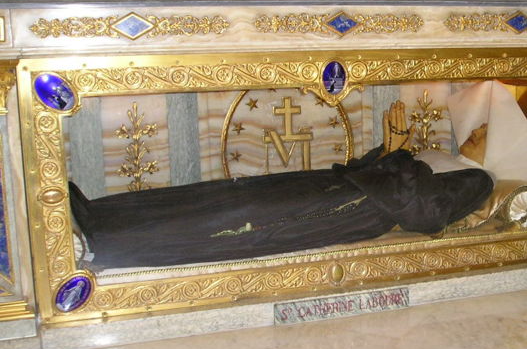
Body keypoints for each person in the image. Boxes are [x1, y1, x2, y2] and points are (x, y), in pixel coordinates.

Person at [69, 101, 494, 269]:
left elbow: (425, 213)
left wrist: (399, 154)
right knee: (222, 196)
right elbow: (374, 172)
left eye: (486, 134)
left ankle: (106, 245)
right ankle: (102, 214)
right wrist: (389, 150)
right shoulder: (443, 155)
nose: (475, 133)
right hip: (332, 187)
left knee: (233, 219)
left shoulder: (477, 178)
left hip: (347, 211)